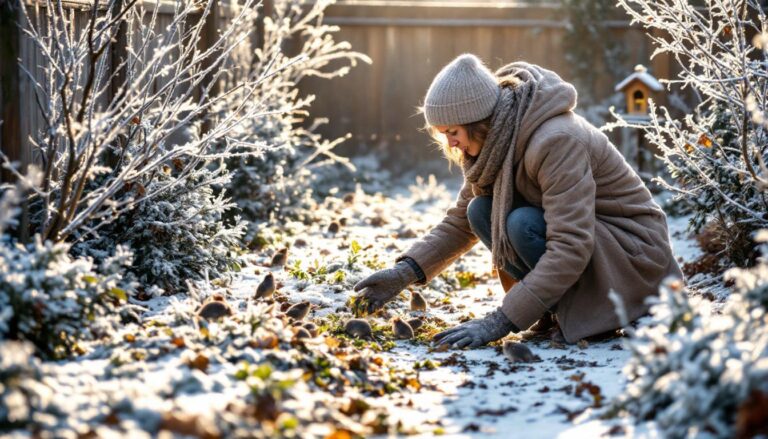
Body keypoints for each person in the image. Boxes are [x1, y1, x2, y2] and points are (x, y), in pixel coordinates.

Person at [352, 54, 683, 348]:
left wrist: (502, 320)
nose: (450, 144)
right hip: (594, 245)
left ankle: (588, 315)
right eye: (442, 134)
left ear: (476, 121)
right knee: (479, 211)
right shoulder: (497, 144)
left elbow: (571, 244)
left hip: (632, 256)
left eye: (452, 131)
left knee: (520, 223)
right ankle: (556, 311)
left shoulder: (555, 141)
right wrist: (403, 273)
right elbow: (460, 222)